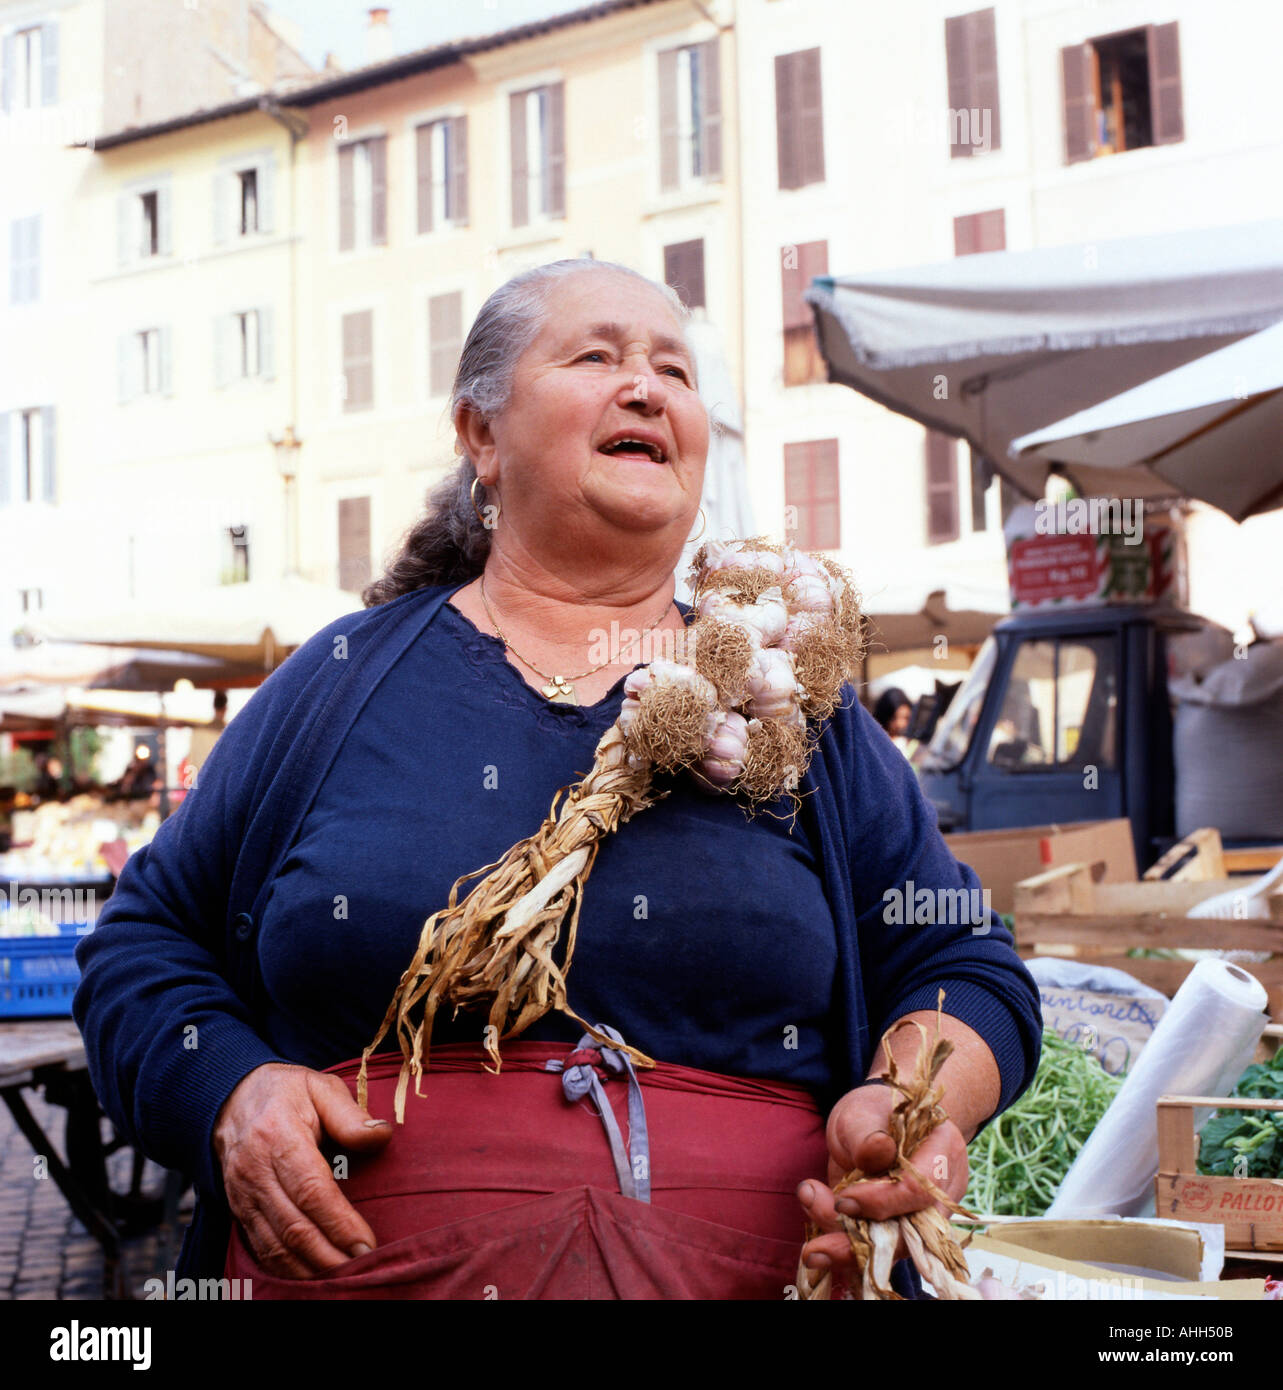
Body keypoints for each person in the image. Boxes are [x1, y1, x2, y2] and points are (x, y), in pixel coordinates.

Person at [73, 259, 1040, 1299]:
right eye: (596, 357)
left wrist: (914, 1101)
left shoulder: (796, 710)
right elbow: (143, 942)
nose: (648, 388)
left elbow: (961, 960)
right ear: (480, 436)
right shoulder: (342, 681)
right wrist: (229, 1090)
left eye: (674, 369)